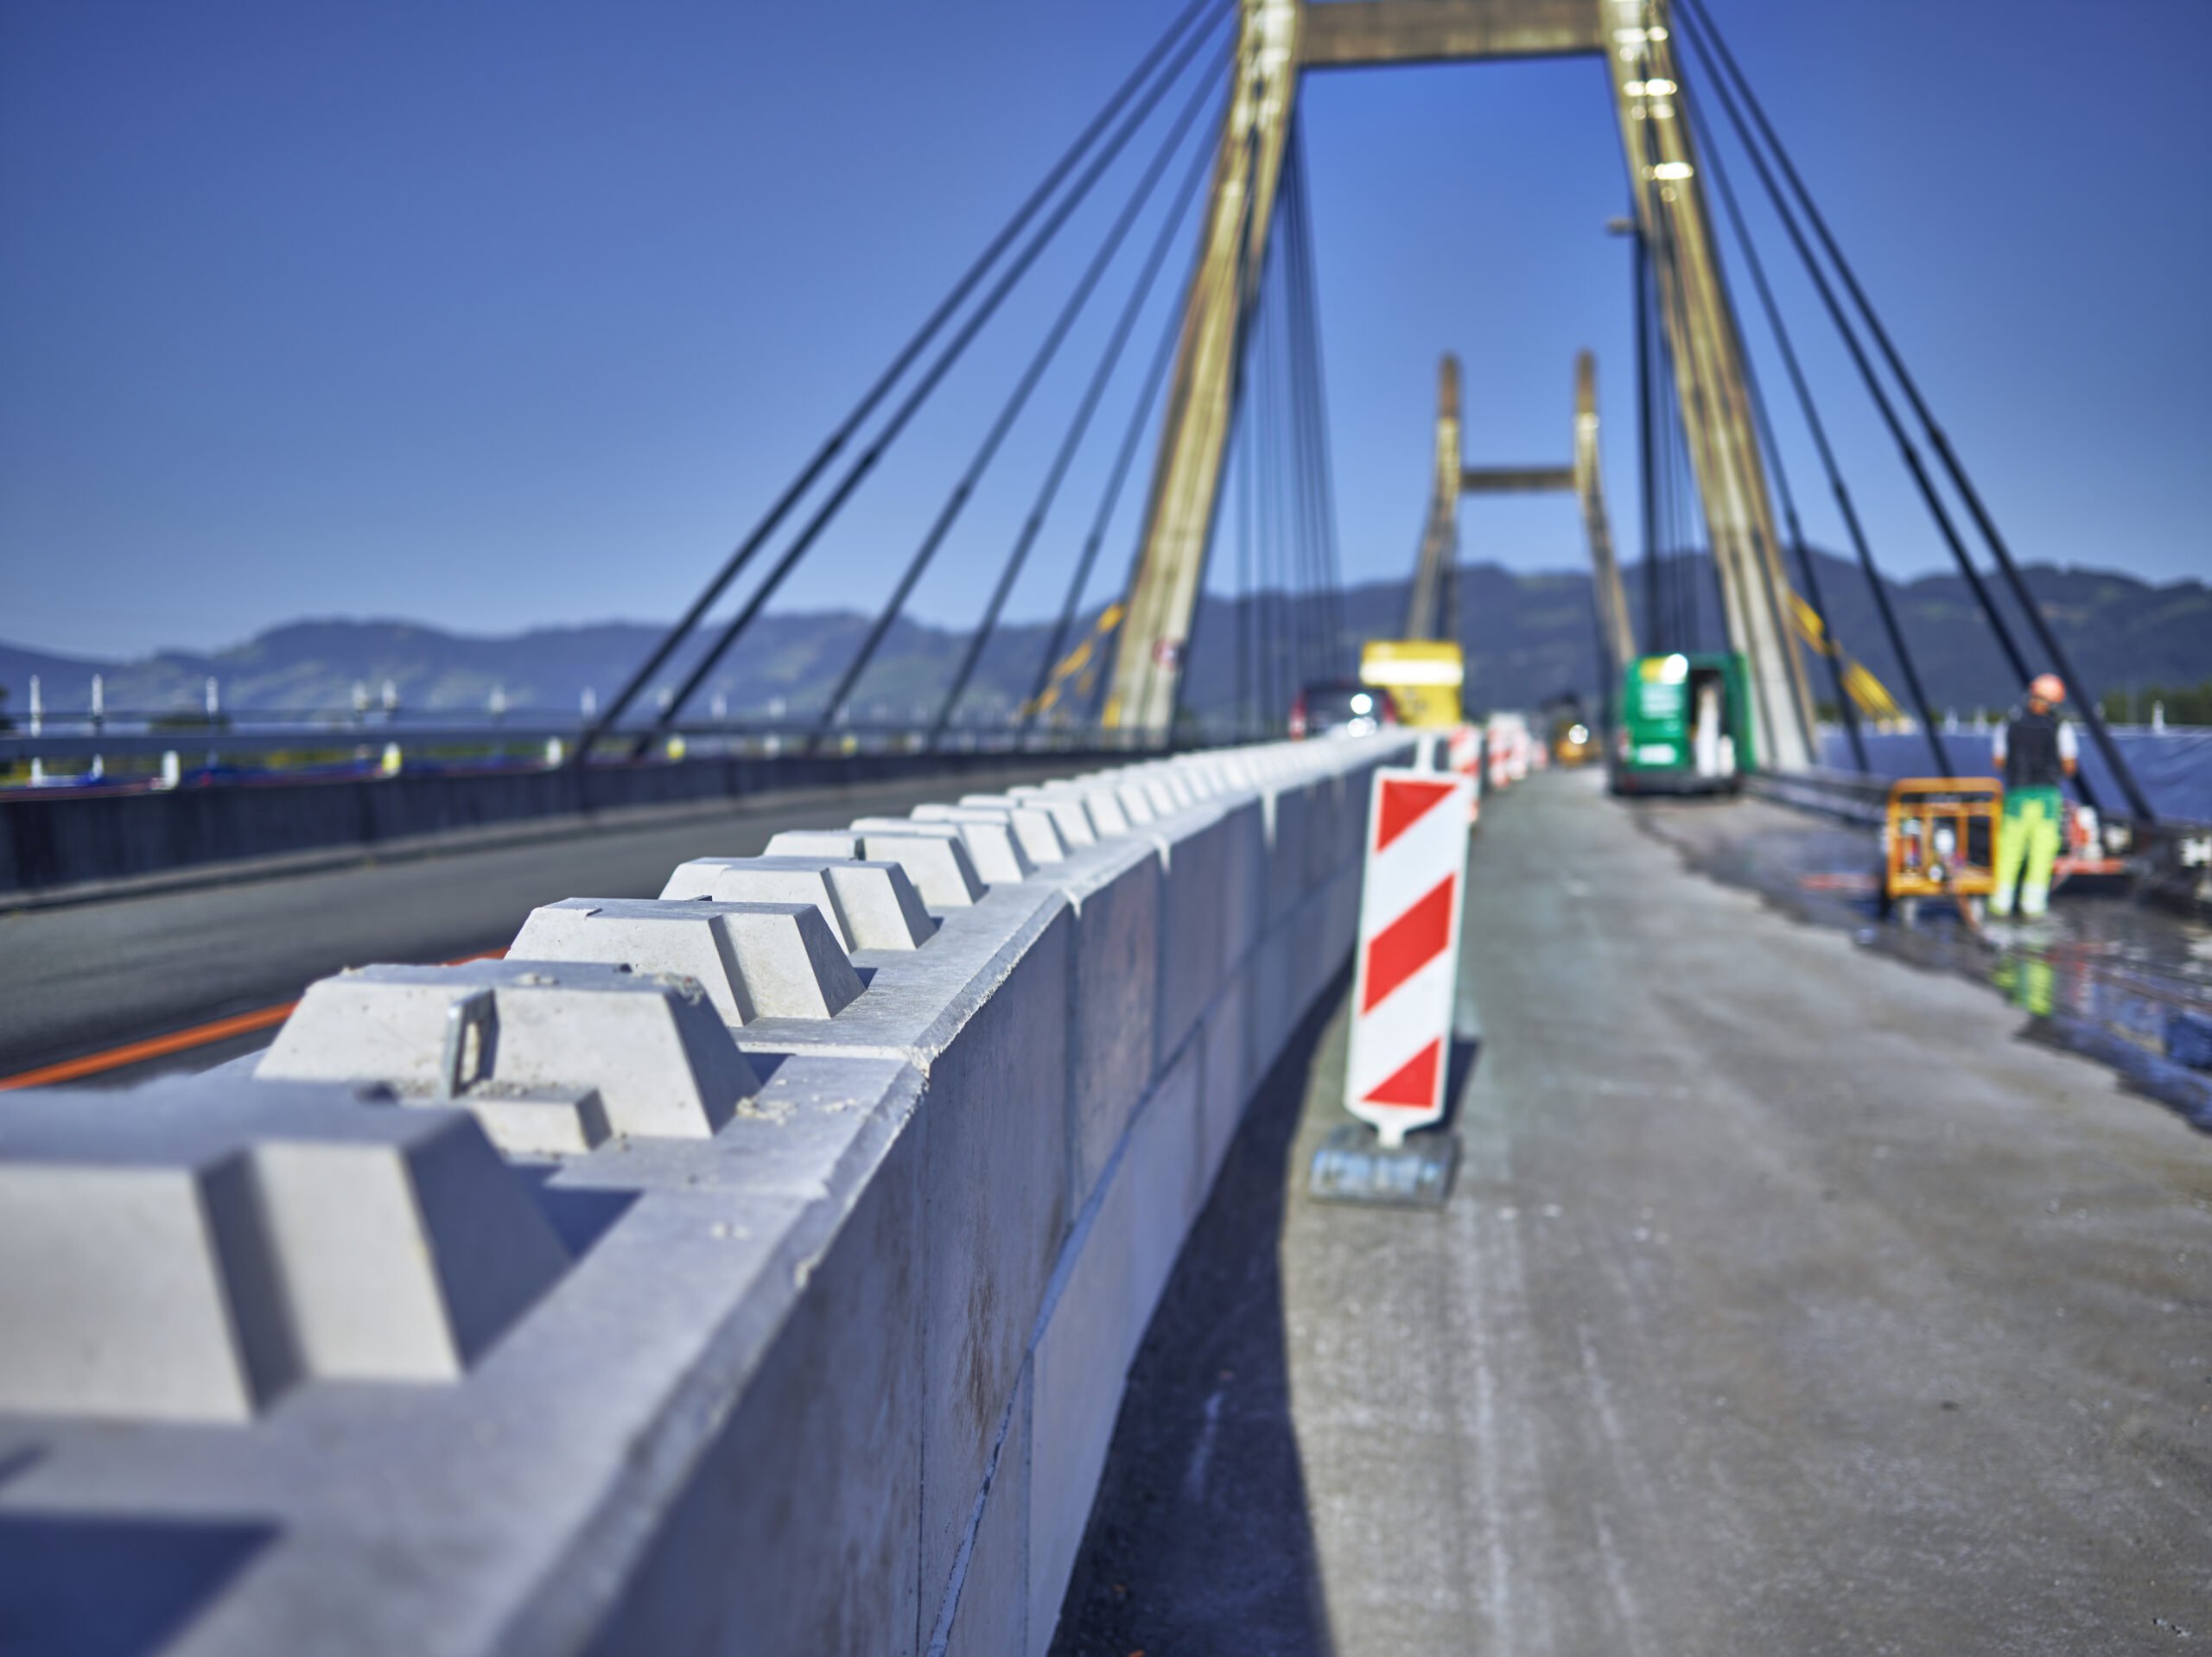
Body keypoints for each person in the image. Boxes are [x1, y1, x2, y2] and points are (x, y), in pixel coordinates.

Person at [1989, 673, 2077, 919]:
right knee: (2041, 854)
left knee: (2009, 852)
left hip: (2016, 798)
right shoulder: (2060, 727)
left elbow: (1998, 761)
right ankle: (2032, 906)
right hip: (2047, 800)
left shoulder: (2010, 723)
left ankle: (2000, 903)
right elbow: (2069, 765)